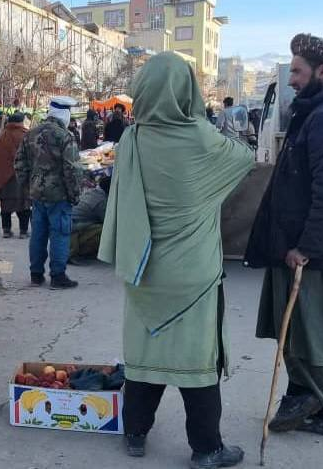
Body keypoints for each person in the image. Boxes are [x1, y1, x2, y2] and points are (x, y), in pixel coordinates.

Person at [98, 53, 254, 467]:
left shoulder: (132, 140)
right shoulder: (203, 140)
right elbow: (245, 158)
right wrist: (203, 121)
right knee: (196, 363)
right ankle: (206, 448)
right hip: (193, 275)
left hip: (144, 268)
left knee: (145, 356)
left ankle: (134, 432)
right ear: (188, 91)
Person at [245, 31, 323, 438]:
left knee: (312, 331)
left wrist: (306, 247)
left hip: (315, 253)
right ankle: (318, 411)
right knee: (299, 329)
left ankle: (315, 398)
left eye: (298, 71)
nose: (291, 80)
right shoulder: (316, 111)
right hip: (300, 247)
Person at [15, 96, 82, 290]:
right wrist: (75, 194)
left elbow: (19, 164)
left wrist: (28, 187)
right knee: (60, 233)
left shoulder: (30, 134)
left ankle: (36, 275)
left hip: (37, 195)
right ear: (65, 114)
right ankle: (58, 276)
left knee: (38, 234)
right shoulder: (64, 136)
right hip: (59, 196)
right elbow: (72, 169)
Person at [0, 112, 31, 239]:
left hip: (4, 180)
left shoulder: (3, 136)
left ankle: (7, 230)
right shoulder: (25, 135)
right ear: (21, 122)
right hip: (20, 179)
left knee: (6, 206)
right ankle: (23, 231)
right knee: (24, 205)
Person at [70, 176, 110, 264]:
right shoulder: (101, 201)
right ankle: (83, 250)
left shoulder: (92, 192)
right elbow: (108, 222)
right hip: (74, 231)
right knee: (106, 231)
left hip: (70, 227)